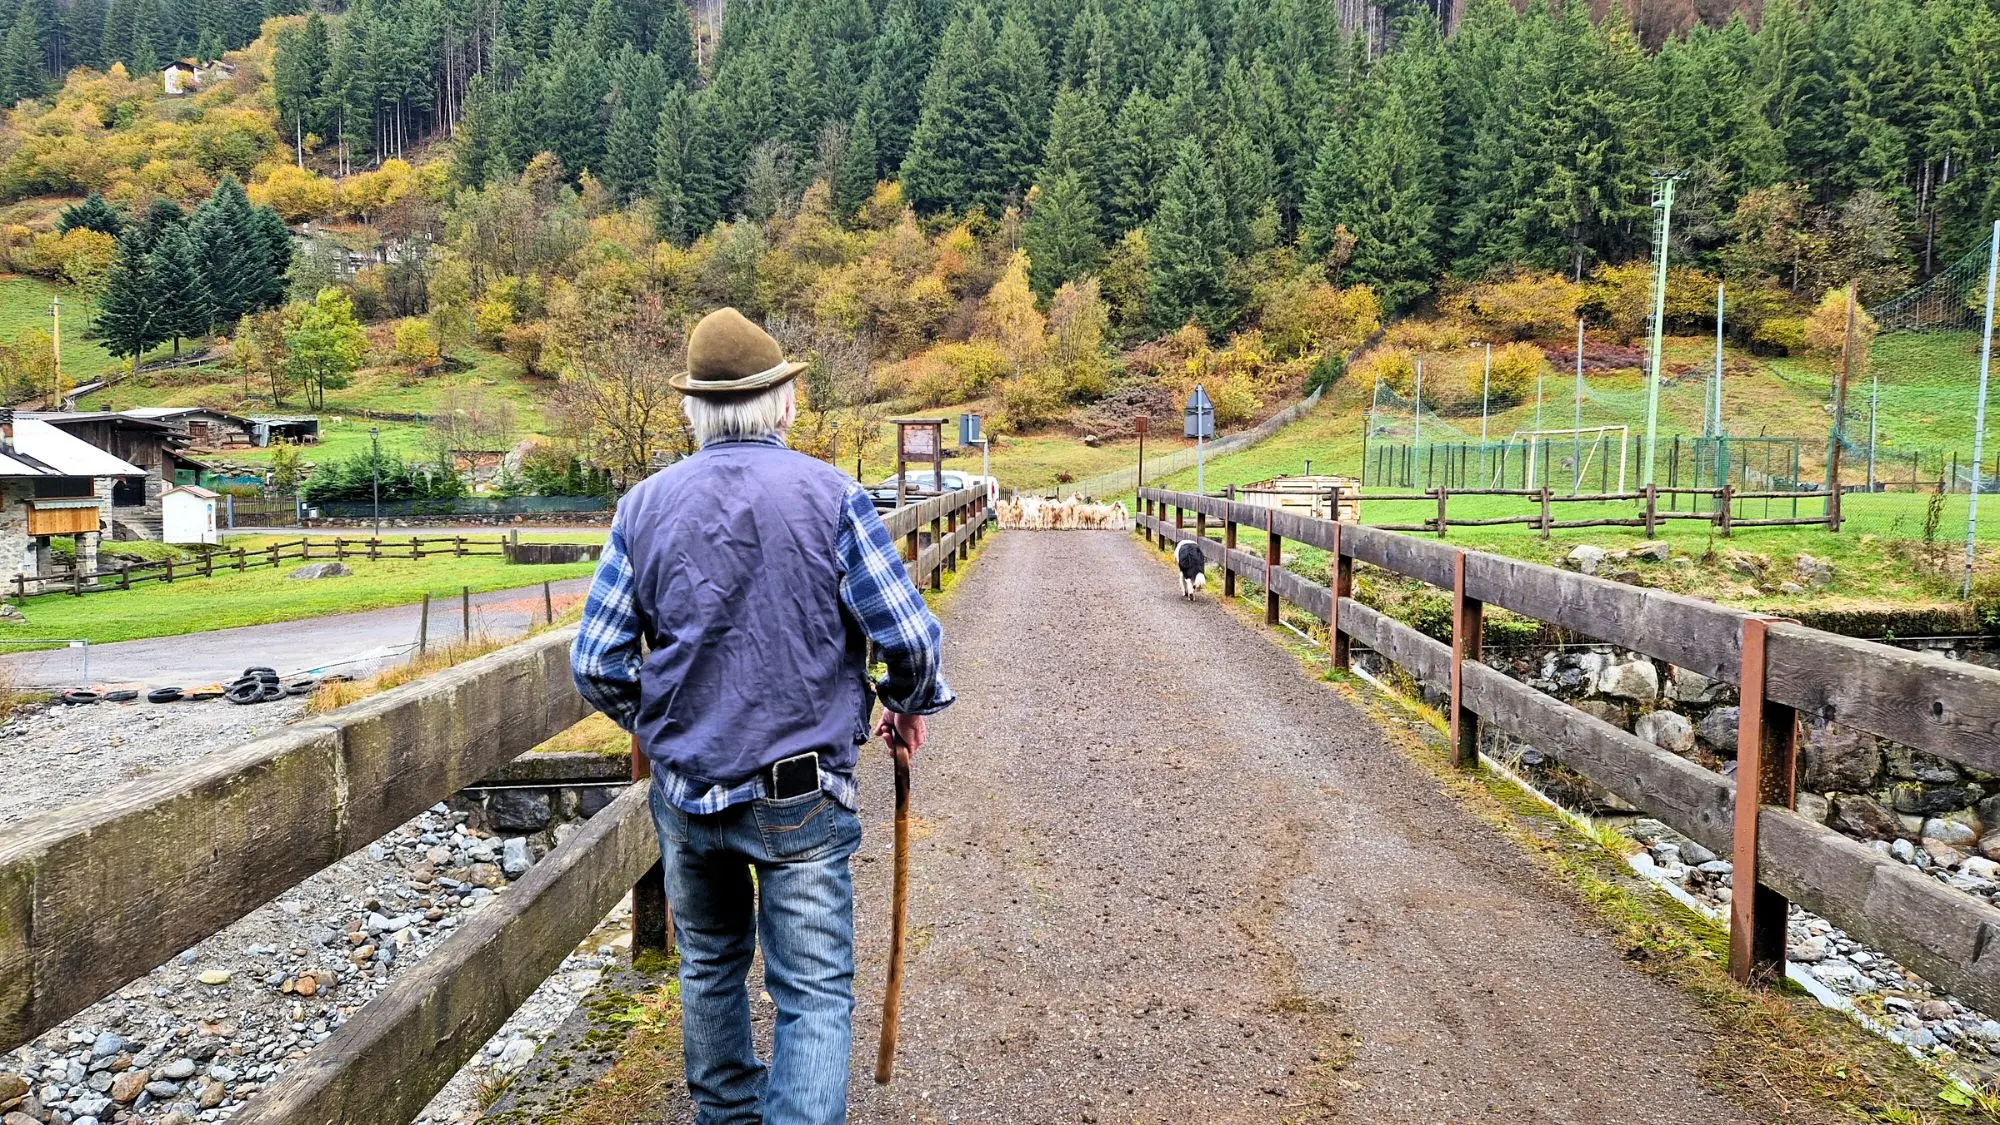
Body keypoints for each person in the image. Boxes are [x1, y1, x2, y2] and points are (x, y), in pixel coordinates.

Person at [571, 306, 953, 1125]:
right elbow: (911, 637)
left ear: (693, 411)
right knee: (811, 992)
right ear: (782, 403)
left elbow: (596, 662)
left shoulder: (642, 508)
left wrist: (667, 723)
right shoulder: (833, 498)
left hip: (688, 791)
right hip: (801, 793)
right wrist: (902, 700)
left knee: (709, 966)